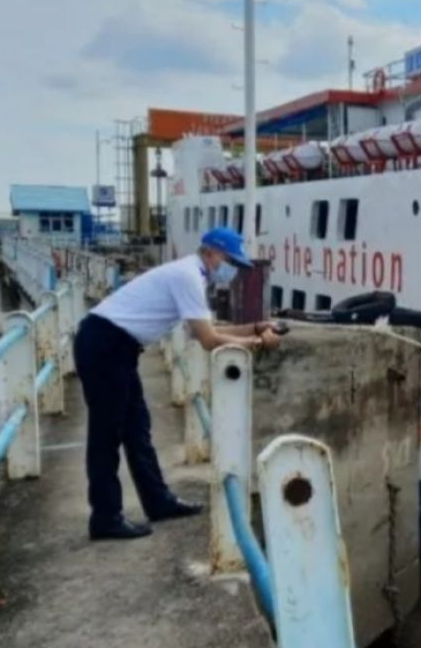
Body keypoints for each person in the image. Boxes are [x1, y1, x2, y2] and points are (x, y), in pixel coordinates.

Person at [74, 227, 280, 540]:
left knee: (137, 429)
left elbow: (205, 329)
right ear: (211, 252)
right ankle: (105, 517)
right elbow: (208, 339)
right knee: (107, 434)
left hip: (116, 346)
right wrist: (258, 341)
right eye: (230, 261)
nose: (232, 271)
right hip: (105, 345)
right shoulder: (188, 276)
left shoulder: (191, 274)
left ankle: (158, 502)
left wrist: (255, 327)